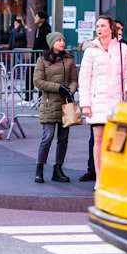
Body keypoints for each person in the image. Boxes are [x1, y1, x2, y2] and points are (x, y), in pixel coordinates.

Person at [78, 14, 127, 180]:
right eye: (98, 26)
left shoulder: (122, 49)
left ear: (111, 28)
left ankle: (114, 176)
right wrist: (85, 104)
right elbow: (84, 78)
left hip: (117, 102)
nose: (99, 29)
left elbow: (126, 76)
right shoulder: (90, 51)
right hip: (97, 102)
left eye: (103, 26)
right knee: (98, 139)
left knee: (116, 141)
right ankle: (100, 178)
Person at [32, 31, 78, 183]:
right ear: (51, 42)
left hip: (66, 103)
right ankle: (39, 168)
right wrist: (58, 87)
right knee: (48, 137)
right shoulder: (42, 60)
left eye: (63, 40)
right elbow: (38, 81)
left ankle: (58, 168)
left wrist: (70, 90)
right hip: (50, 103)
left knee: (63, 138)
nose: (62, 43)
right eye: (58, 40)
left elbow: (73, 79)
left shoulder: (69, 59)